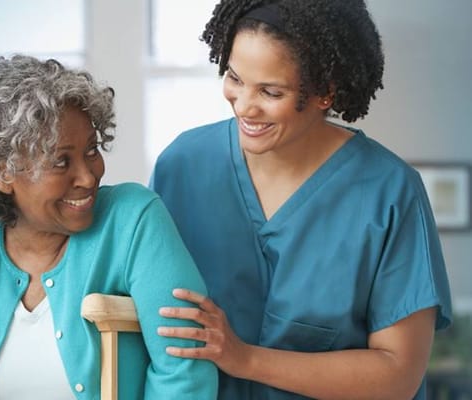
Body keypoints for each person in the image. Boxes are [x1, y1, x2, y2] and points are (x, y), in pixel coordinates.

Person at [150, 1, 453, 399]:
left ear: (324, 92)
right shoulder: (182, 165)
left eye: (270, 91)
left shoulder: (390, 193)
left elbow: (397, 375)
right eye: (234, 78)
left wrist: (244, 358)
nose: (243, 105)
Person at [0, 55, 217, 400]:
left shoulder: (134, 221)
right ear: (1, 174)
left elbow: (186, 371)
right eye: (61, 161)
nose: (88, 177)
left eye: (91, 151)